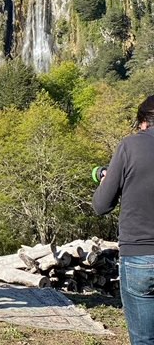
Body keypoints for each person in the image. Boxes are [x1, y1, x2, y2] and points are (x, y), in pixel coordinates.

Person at [93, 95, 154, 345]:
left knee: (144, 340)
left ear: (142, 122)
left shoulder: (130, 146)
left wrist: (108, 178)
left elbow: (101, 205)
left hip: (139, 255)